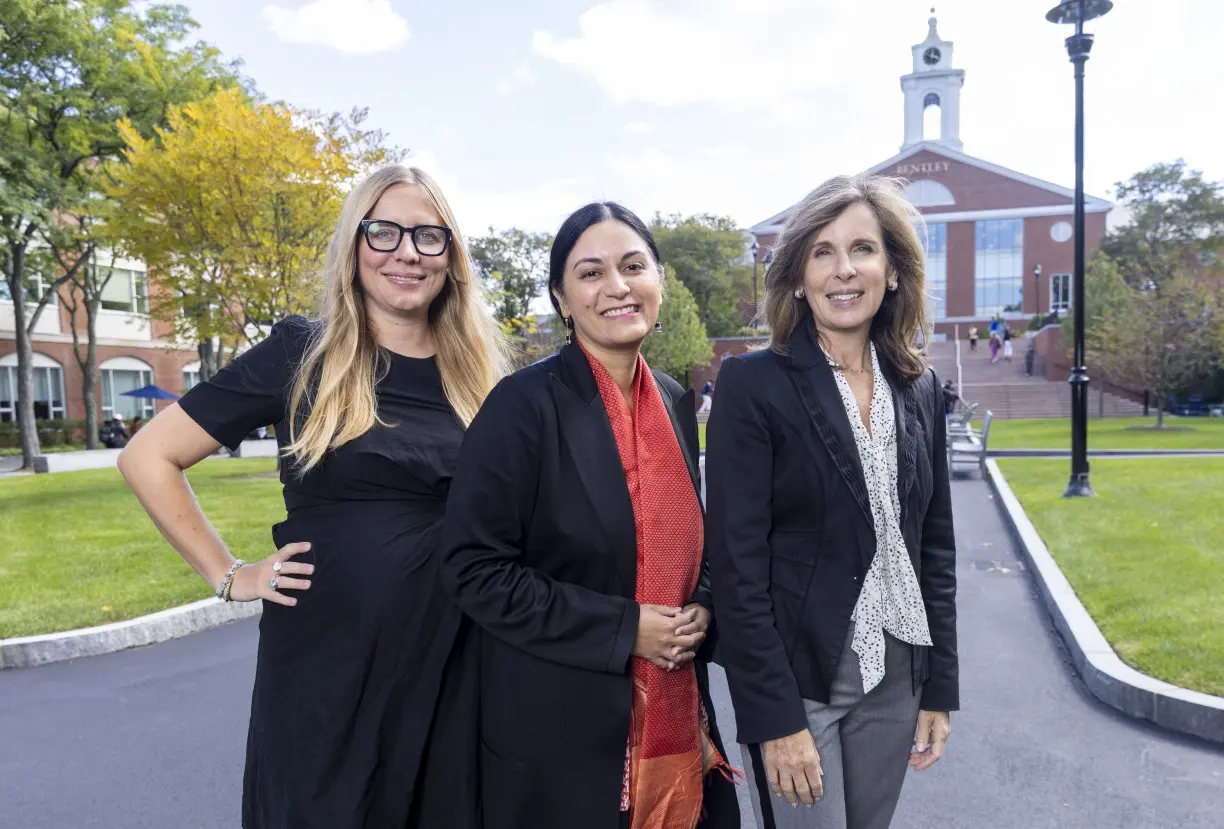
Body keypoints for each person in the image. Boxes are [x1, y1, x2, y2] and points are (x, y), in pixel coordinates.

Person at [117, 165, 506, 829]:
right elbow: (149, 455)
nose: (406, 251)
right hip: (329, 671)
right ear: (354, 247)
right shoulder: (303, 353)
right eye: (383, 232)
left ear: (453, 257)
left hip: (457, 665)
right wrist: (229, 574)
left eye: (428, 236)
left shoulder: (482, 376)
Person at [439, 202, 739, 829]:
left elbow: (697, 550)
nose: (617, 287)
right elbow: (472, 569)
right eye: (591, 272)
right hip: (559, 745)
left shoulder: (676, 404)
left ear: (658, 282)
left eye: (633, 266)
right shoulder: (522, 406)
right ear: (562, 297)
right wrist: (623, 629)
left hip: (680, 725)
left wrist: (702, 605)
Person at [706, 173, 958, 829]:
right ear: (797, 277)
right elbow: (736, 566)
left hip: (899, 670)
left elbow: (934, 545)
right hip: (801, 680)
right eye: (822, 252)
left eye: (863, 249)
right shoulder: (753, 384)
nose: (843, 270)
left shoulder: (921, 386)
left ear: (894, 269)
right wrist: (773, 718)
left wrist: (940, 687)